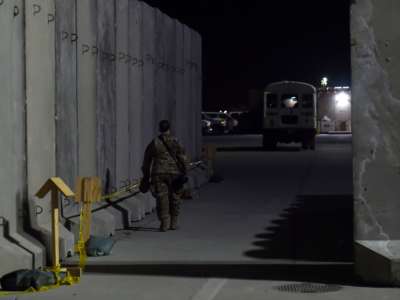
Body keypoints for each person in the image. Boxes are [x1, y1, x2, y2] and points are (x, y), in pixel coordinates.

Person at [141, 120, 188, 232]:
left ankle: (164, 223)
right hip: (175, 174)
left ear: (159, 129)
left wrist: (146, 176)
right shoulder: (176, 141)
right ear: (169, 128)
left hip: (159, 173)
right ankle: (174, 222)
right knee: (175, 197)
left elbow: (146, 161)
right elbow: (183, 158)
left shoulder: (154, 143)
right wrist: (185, 171)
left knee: (162, 197)